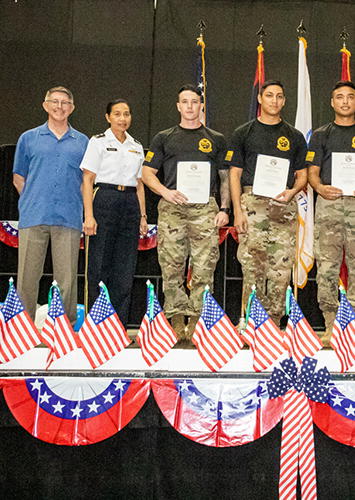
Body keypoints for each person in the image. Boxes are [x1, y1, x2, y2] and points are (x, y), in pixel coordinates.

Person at [142, 85, 230, 341]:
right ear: (178, 106)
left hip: (206, 210)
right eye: (185, 102)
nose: (190, 106)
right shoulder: (163, 137)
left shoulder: (217, 139)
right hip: (173, 209)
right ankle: (177, 322)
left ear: (202, 105)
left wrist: (225, 209)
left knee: (204, 268)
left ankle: (198, 323)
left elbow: (225, 178)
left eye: (195, 102)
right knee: (171, 267)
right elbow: (147, 174)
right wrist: (164, 192)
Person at [228, 80, 308, 326]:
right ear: (260, 99)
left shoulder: (294, 136)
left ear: (284, 101)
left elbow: (303, 176)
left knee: (281, 267)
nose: (274, 100)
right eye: (269, 95)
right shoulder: (243, 133)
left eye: (279, 96)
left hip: (283, 206)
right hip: (252, 205)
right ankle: (252, 320)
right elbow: (234, 175)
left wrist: (292, 191)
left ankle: (273, 322)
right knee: (252, 264)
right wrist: (238, 212)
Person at [307, 81, 355, 342]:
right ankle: (329, 324)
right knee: (327, 267)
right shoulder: (320, 135)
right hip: (328, 205)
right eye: (340, 97)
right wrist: (320, 188)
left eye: (350, 97)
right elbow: (312, 173)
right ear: (332, 102)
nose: (345, 101)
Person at [13, 86, 89, 325]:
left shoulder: (83, 142)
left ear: (72, 108)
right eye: (54, 102)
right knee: (26, 278)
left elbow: (86, 182)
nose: (59, 106)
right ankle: (23, 330)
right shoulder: (28, 138)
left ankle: (63, 330)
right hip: (33, 217)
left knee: (66, 280)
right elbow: (18, 178)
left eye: (65, 102)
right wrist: (34, 199)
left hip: (68, 218)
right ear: (45, 105)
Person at [80, 99, 148, 326]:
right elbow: (87, 180)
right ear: (108, 117)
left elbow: (139, 184)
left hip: (129, 203)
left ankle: (117, 326)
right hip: (104, 200)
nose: (122, 118)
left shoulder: (136, 145)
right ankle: (96, 325)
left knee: (125, 269)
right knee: (99, 266)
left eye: (126, 114)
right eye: (117, 114)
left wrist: (142, 216)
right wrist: (89, 216)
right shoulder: (98, 142)